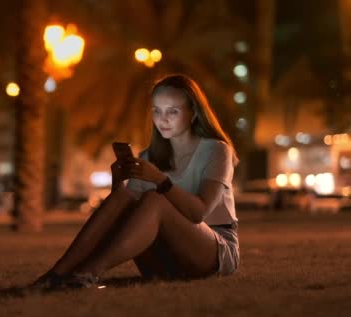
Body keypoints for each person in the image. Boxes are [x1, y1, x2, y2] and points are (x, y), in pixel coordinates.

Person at [32, 74, 240, 289]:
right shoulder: (149, 157)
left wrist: (160, 180)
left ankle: (88, 273)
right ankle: (57, 273)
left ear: (193, 113)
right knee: (124, 195)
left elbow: (199, 213)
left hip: (214, 252)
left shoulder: (216, 150)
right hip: (163, 260)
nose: (163, 119)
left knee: (155, 200)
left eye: (173, 111)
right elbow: (125, 213)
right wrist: (117, 184)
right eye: (157, 111)